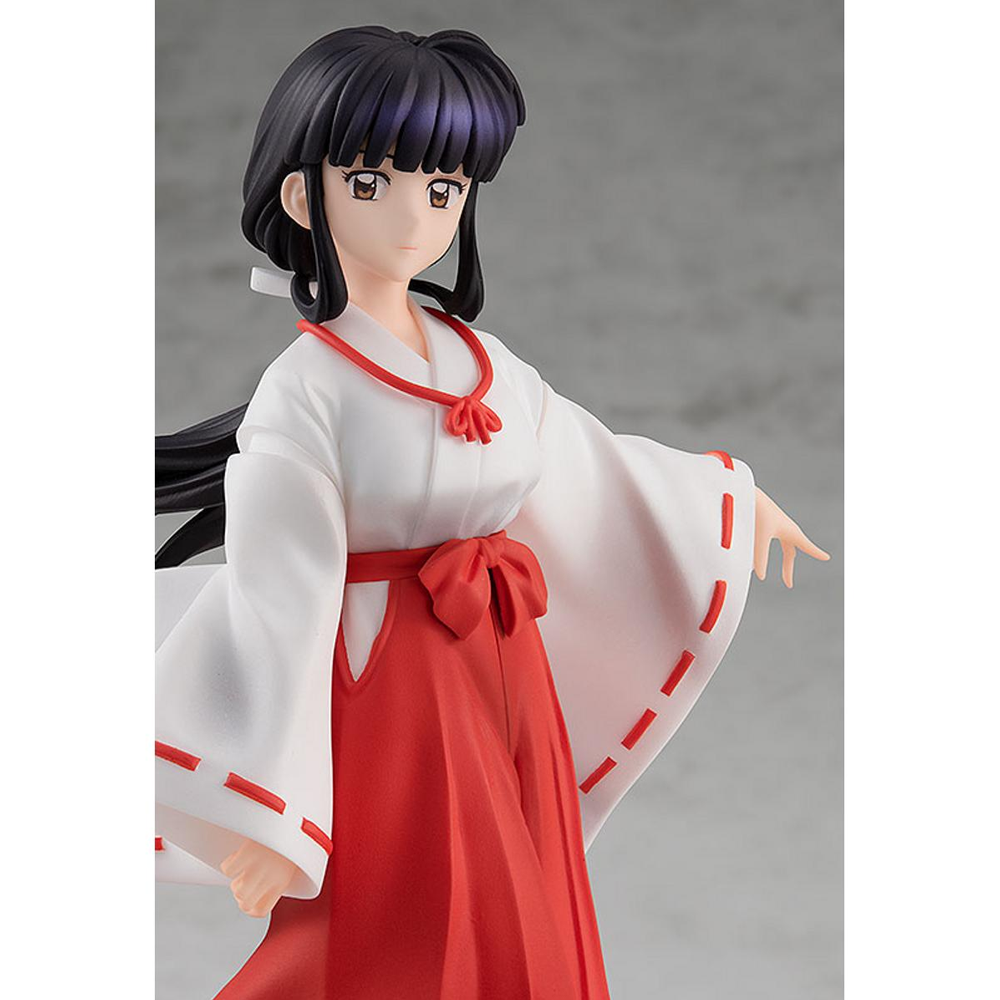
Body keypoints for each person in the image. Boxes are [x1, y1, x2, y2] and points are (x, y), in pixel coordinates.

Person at [155, 26, 829, 999]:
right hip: (386, 678)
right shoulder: (305, 390)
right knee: (398, 920)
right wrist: (268, 806)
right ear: (303, 195)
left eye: (443, 189)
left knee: (524, 905)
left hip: (500, 654)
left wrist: (722, 501)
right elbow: (275, 595)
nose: (413, 215)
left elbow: (584, 463)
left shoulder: (477, 356)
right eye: (372, 181)